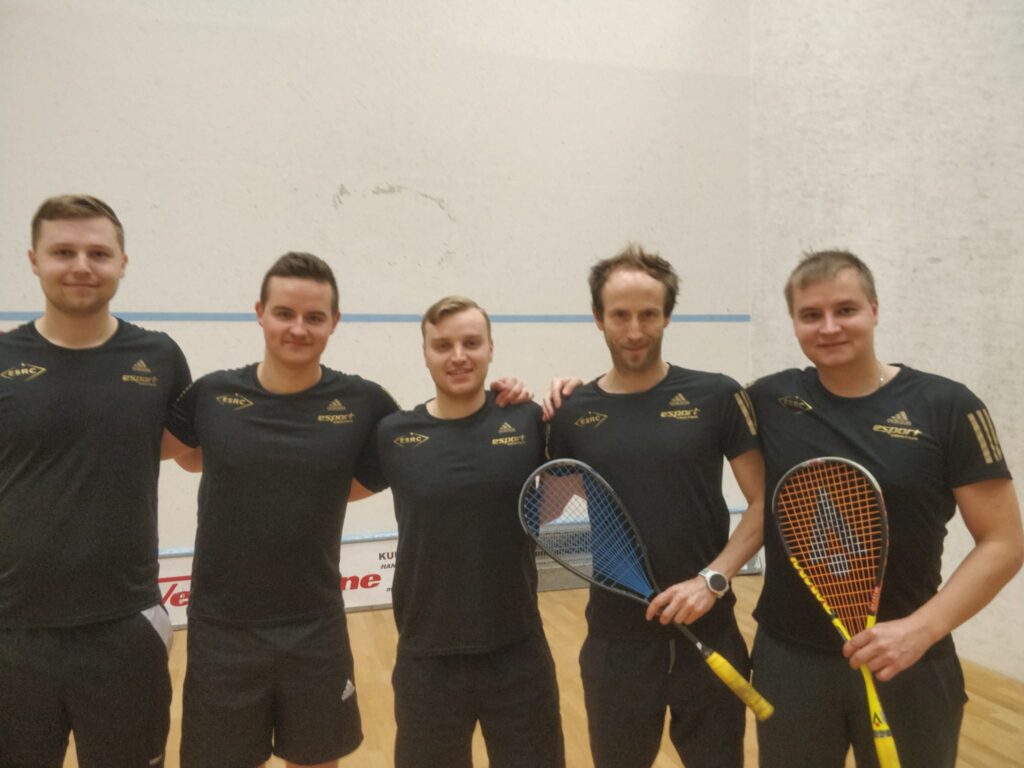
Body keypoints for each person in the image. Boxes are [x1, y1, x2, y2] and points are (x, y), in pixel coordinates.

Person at [166, 256, 530, 768]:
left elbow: (430, 443)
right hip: (220, 629)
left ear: (334, 321)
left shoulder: (364, 402)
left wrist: (503, 404)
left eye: (314, 317)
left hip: (315, 626)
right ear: (260, 313)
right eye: (284, 313)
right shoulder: (212, 394)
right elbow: (183, 455)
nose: (298, 328)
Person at [747, 250, 1024, 768]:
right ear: (794, 323)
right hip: (791, 661)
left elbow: (1004, 542)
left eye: (846, 310)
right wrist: (586, 399)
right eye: (811, 315)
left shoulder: (948, 406)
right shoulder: (770, 399)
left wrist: (922, 629)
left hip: (909, 658)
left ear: (874, 309)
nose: (829, 327)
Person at [544, 244, 765, 768]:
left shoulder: (716, 395)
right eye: (620, 315)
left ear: (667, 315)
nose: (635, 329)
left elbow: (765, 501)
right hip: (615, 643)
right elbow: (551, 517)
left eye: (648, 314)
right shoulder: (572, 413)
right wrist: (542, 417)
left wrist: (713, 579)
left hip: (710, 629)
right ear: (598, 317)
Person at [0, 195, 192, 767]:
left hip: (125, 628)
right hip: (11, 630)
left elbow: (189, 451)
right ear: (34, 260)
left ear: (122, 263)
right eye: (63, 252)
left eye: (98, 253)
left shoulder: (159, 356)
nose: (81, 265)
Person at [374, 296, 565, 768]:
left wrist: (572, 396)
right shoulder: (393, 434)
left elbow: (550, 505)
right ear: (425, 353)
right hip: (426, 660)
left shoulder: (526, 420)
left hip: (518, 652)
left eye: (471, 343)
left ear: (490, 349)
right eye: (443, 345)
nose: (458, 356)